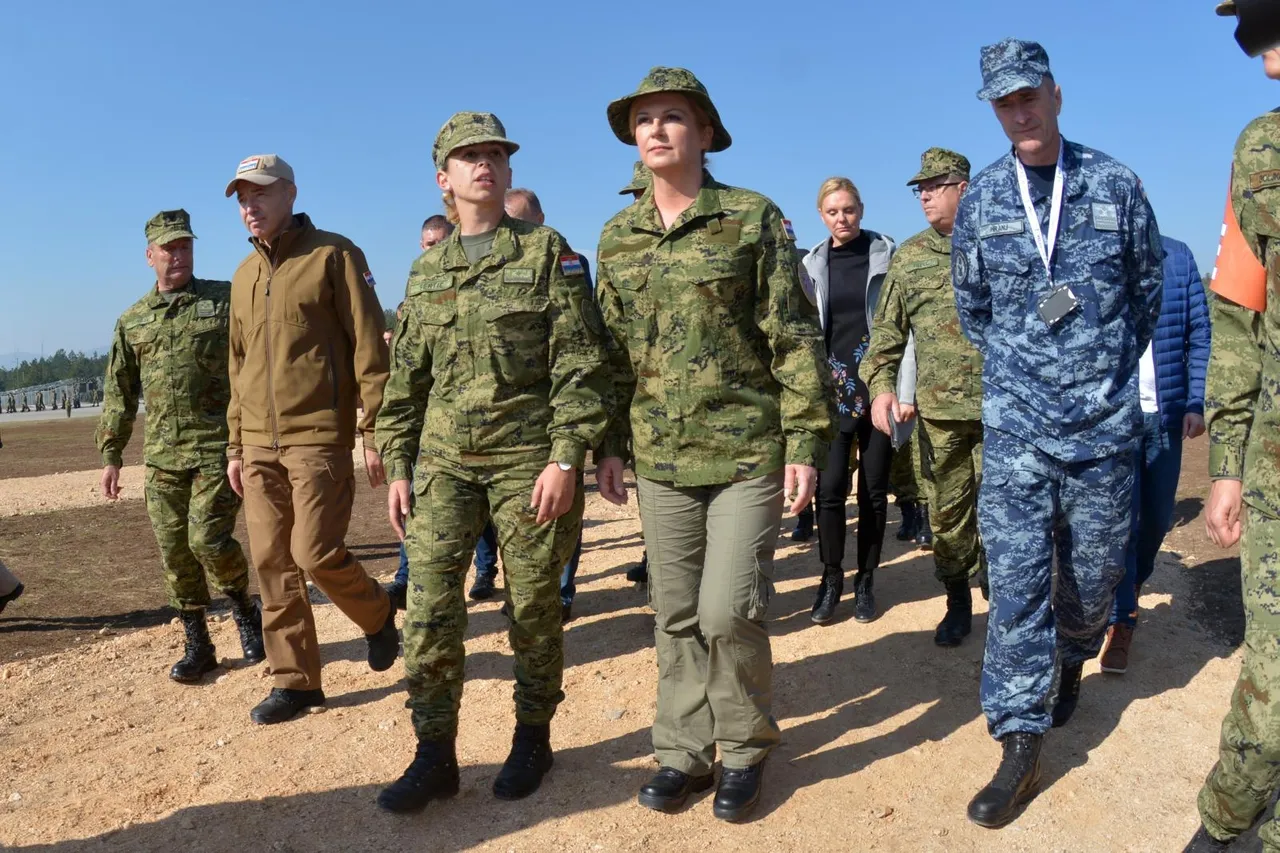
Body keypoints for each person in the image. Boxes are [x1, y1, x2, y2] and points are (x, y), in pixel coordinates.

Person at [595, 67, 832, 822]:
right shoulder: (618, 235)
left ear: (704, 133)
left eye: (672, 117)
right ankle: (683, 752)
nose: (656, 130)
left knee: (729, 609)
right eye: (644, 120)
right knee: (674, 612)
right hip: (660, 456)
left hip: (745, 451)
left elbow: (793, 335)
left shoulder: (751, 217)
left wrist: (805, 441)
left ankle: (745, 748)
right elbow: (611, 353)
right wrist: (607, 443)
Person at [952, 39, 1162, 828]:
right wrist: (1027, 371)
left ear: (1056, 94)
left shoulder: (1116, 185)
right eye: (1005, 103)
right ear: (995, 110)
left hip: (1102, 430)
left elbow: (1145, 293)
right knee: (1015, 588)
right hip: (1017, 431)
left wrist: (1095, 369)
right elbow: (973, 309)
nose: (1021, 112)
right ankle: (1020, 739)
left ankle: (1073, 653)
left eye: (1030, 96)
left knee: (1096, 576)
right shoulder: (982, 199)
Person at [374, 112, 610, 812]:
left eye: (496, 155)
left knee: (533, 603)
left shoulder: (546, 252)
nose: (485, 165)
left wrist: (566, 457)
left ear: (507, 171)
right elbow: (406, 381)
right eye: (469, 156)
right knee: (429, 608)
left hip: (526, 460)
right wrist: (397, 465)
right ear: (443, 178)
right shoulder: (427, 269)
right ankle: (434, 753)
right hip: (445, 463)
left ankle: (533, 735)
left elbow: (581, 363)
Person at [224, 153, 398, 725]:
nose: (250, 206)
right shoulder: (243, 277)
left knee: (314, 553)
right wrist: (235, 445)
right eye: (243, 198)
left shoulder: (334, 255)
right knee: (271, 561)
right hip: (257, 445)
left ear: (290, 194)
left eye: (260, 193)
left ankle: (377, 613)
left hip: (318, 437)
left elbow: (369, 347)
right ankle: (296, 683)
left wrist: (374, 431)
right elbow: (238, 367)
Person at [96, 209, 264, 683]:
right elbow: (119, 391)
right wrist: (111, 454)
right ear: (149, 255)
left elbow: (257, 359)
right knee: (175, 553)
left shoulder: (224, 300)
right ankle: (198, 643)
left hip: (218, 449)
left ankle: (245, 611)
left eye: (185, 246)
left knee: (207, 539)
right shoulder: (132, 321)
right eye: (169, 248)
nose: (179, 255)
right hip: (163, 458)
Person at [1187, 4, 1280, 850]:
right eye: (1251, 36)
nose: (1262, 58)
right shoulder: (1261, 151)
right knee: (1275, 681)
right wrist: (1225, 464)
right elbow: (1237, 321)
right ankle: (1225, 818)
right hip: (1278, 466)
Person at [863, 147, 986, 648]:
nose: (924, 196)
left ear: (964, 188)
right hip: (941, 416)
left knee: (1009, 512)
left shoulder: (1004, 242)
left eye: (934, 186)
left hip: (1007, 412)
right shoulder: (910, 258)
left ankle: (1005, 597)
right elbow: (885, 335)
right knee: (948, 515)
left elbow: (1050, 308)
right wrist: (881, 389)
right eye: (920, 189)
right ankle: (958, 601)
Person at [802, 176, 912, 625]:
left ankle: (866, 580)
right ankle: (831, 577)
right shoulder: (811, 264)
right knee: (829, 491)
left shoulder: (887, 255)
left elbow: (908, 328)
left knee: (873, 491)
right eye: (832, 212)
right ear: (821, 216)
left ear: (861, 210)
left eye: (848, 210)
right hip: (832, 390)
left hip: (878, 386)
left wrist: (904, 390)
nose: (841, 219)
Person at [1099, 236, 1210, 675]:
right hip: (1114, 420)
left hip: (1166, 418)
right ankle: (1121, 620)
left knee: (1158, 519)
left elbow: (1199, 334)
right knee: (1122, 524)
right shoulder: (1093, 252)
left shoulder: (1178, 258)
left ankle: (1132, 584)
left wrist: (1195, 402)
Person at [504, 186, 591, 623]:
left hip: (555, 411)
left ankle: (562, 591)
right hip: (510, 424)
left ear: (540, 220)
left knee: (560, 505)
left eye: (520, 220)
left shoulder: (566, 261)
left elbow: (580, 341)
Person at [386, 219, 463, 612]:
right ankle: (405, 578)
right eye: (428, 243)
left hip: (486, 437)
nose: (434, 248)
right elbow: (404, 377)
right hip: (430, 431)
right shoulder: (417, 287)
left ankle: (486, 573)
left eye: (441, 242)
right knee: (417, 510)